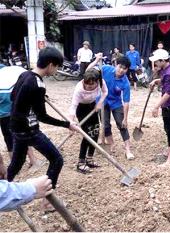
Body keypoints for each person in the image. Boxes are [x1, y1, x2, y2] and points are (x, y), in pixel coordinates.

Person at [7, 47, 79, 211]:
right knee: (57, 160)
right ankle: (48, 202)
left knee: (16, 164)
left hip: (15, 128)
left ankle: (4, 189)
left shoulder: (24, 75)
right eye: (57, 67)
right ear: (51, 65)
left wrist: (37, 99)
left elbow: (14, 96)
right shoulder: (38, 84)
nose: (57, 70)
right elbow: (42, 117)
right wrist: (67, 124)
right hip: (29, 131)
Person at [87, 53, 135, 160]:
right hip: (102, 101)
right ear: (116, 65)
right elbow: (88, 71)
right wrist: (96, 60)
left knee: (121, 124)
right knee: (105, 125)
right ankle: (111, 144)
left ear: (127, 70)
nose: (121, 70)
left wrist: (125, 119)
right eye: (120, 67)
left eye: (124, 68)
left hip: (116, 103)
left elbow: (126, 101)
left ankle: (128, 150)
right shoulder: (105, 69)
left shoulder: (125, 82)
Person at [0, 66, 41, 175]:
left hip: (12, 108)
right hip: (8, 108)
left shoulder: (6, 74)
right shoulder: (7, 70)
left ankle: (28, 162)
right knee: (13, 136)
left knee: (16, 135)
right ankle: (20, 164)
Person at [68, 68, 108, 173]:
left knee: (95, 132)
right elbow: (73, 107)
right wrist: (70, 123)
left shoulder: (101, 82)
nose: (88, 86)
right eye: (87, 84)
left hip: (93, 106)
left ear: (97, 82)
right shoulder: (79, 89)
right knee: (86, 134)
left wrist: (100, 102)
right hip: (81, 109)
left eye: (91, 84)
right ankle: (81, 163)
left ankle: (89, 159)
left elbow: (105, 92)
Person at [149, 49, 170, 166]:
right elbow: (165, 81)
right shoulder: (167, 69)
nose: (155, 63)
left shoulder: (169, 73)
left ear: (162, 60)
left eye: (157, 61)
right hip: (168, 105)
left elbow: (167, 93)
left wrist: (156, 106)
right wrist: (157, 81)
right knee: (167, 129)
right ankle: (169, 151)